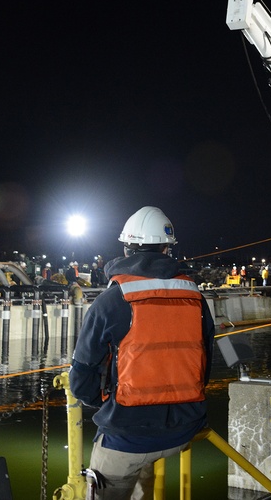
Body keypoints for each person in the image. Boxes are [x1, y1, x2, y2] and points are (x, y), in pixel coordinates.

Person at [70, 206, 214, 500]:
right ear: (167, 249)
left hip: (127, 437)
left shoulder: (112, 300)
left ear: (126, 250)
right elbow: (204, 367)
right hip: (184, 430)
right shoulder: (196, 298)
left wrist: (105, 400)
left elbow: (81, 379)